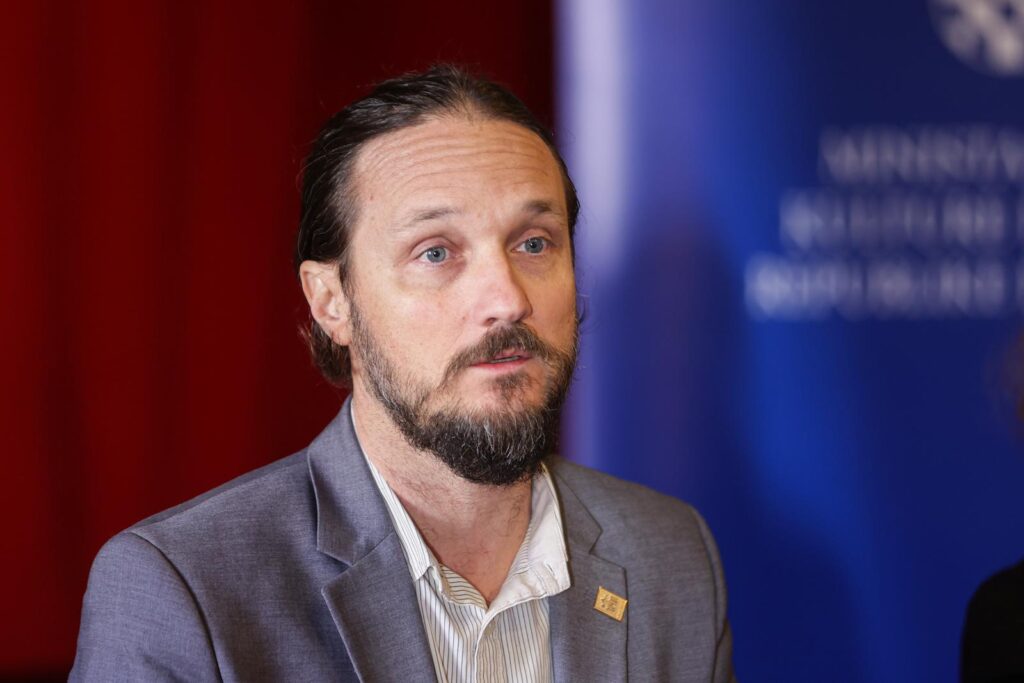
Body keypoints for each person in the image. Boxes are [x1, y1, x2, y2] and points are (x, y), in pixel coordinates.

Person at [70, 65, 736, 682]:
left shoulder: (670, 555)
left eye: (534, 243)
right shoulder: (186, 590)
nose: (507, 298)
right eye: (436, 252)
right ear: (332, 301)